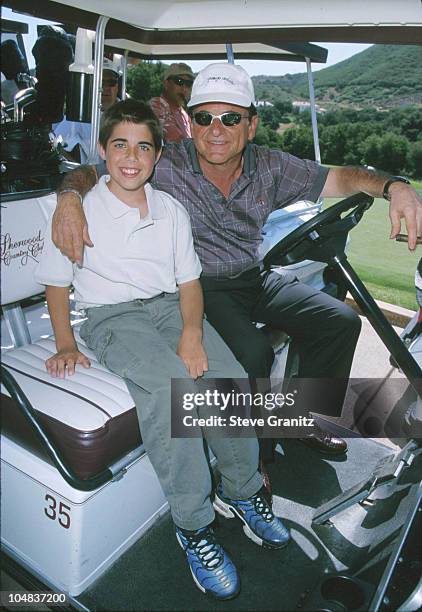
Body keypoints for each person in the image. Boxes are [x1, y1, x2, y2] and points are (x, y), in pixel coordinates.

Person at [52, 63, 422, 455]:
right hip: (198, 287)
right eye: (203, 117)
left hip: (253, 277)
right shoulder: (165, 163)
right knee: (253, 352)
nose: (216, 129)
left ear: (251, 125)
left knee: (340, 321)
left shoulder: (271, 166)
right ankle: (252, 461)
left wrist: (394, 186)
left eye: (231, 118)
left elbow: (342, 177)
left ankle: (302, 420)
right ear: (190, 123)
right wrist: (69, 198)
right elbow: (95, 173)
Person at [35, 99, 290, 601]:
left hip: (172, 307)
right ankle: (193, 524)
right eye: (120, 145)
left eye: (143, 147)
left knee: (231, 375)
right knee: (174, 389)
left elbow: (189, 283)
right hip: (112, 316)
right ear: (103, 152)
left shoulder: (170, 209)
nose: (132, 157)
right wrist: (65, 342)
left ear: (157, 156)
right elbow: (58, 284)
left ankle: (242, 492)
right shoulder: (77, 211)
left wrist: (192, 334)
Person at [54, 58, 120, 163]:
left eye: (111, 82)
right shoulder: (78, 116)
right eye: (101, 81)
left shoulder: (128, 114)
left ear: (117, 86)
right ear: (92, 84)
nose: (105, 87)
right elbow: (55, 146)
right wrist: (81, 171)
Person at [149, 62, 193, 142]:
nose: (184, 88)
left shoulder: (183, 113)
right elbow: (175, 140)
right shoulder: (157, 105)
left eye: (188, 84)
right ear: (166, 84)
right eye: (179, 81)